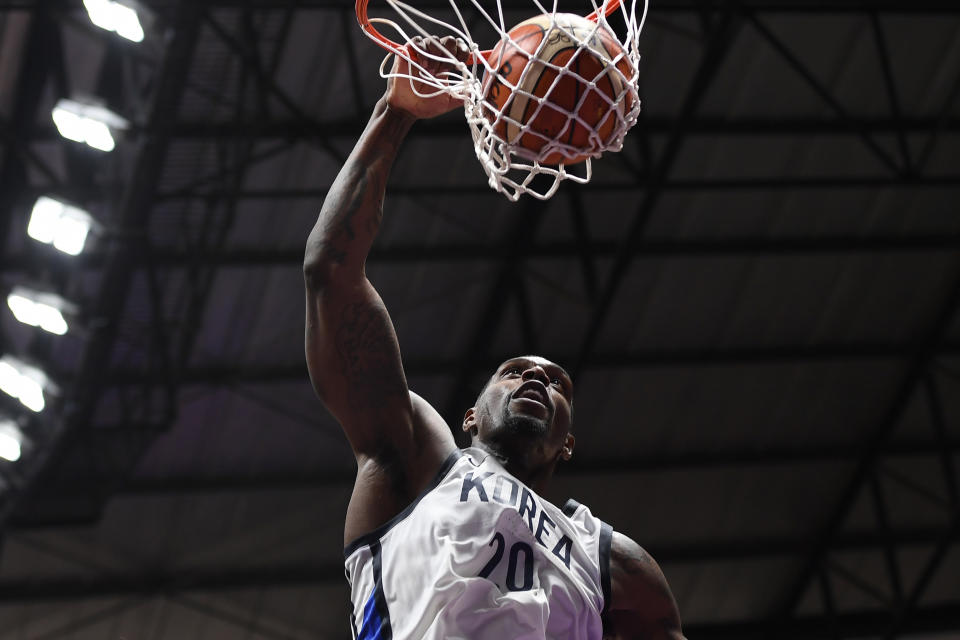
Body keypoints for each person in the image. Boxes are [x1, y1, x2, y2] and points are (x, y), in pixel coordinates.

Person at [303, 36, 684, 640]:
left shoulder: (614, 562)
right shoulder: (416, 461)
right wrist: (394, 113)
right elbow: (331, 272)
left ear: (568, 443)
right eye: (514, 371)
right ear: (470, 418)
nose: (537, 377)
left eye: (557, 383)